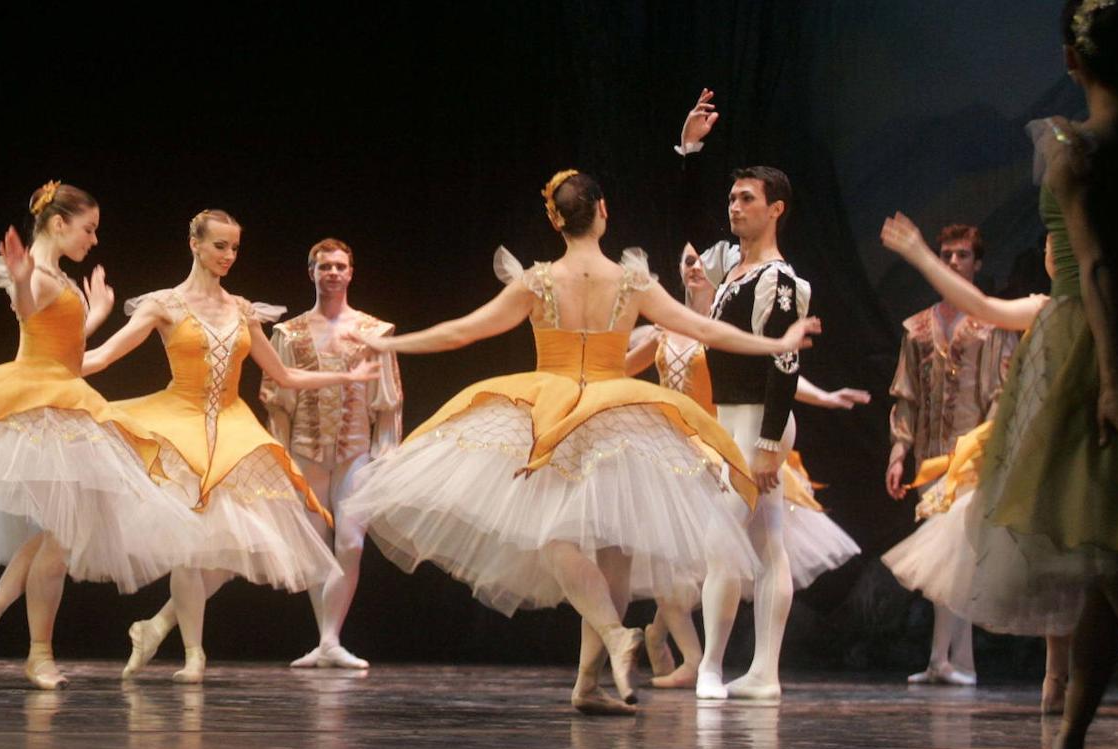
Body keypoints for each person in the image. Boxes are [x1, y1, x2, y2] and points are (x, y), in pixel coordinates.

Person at [340, 170, 820, 714]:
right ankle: (591, 679)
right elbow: (703, 329)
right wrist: (776, 342)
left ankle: (611, 644)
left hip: (556, 408)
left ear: (554, 220)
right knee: (614, 548)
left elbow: (463, 331)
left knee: (555, 532)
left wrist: (390, 344)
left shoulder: (538, 282)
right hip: (619, 416)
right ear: (604, 211)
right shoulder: (632, 281)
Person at [939, 1, 1118, 749]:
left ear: (1070, 62)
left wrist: (1115, 379)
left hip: (1100, 348)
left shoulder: (1073, 149)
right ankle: (1071, 737)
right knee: (1109, 552)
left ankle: (1070, 736)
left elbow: (1092, 265)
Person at [0, 182, 201, 689]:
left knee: (51, 534)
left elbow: (62, 344)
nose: (94, 239)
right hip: (41, 408)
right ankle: (38, 653)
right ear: (59, 224)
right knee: (59, 541)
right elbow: (27, 309)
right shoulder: (38, 276)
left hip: (60, 400)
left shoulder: (57, 277)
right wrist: (19, 283)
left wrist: (97, 314)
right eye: (89, 229)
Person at [80, 209, 378, 684]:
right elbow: (102, 356)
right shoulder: (165, 305)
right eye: (220, 246)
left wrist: (347, 375)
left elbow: (283, 375)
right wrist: (47, 360)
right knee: (190, 549)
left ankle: (155, 626)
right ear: (195, 244)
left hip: (235, 431)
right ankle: (195, 654)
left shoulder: (242, 309)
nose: (228, 256)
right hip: (179, 425)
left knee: (232, 552)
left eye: (235, 248)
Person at [624, 247, 865, 690]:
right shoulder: (662, 330)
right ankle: (690, 654)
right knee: (673, 557)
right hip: (675, 448)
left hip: (723, 441)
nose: (693, 266)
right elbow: (617, 371)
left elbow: (772, 365)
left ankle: (696, 656)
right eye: (686, 260)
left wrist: (826, 397)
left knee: (721, 551)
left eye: (700, 259)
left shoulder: (725, 329)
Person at [671, 89, 829, 700]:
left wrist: (767, 445)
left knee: (722, 544)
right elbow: (685, 227)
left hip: (757, 423)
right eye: (731, 198)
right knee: (768, 545)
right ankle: (764, 672)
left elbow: (784, 363)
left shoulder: (779, 280)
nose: (734, 207)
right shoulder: (728, 266)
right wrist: (689, 148)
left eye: (745, 199)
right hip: (728, 420)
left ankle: (711, 666)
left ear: (775, 209)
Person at [881, 219, 1019, 687]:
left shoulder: (994, 322)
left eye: (963, 255)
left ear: (978, 263)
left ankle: (945, 657)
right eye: (947, 255)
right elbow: (906, 395)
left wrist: (990, 450)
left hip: (974, 457)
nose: (954, 262)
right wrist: (899, 451)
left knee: (958, 555)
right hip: (932, 459)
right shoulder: (919, 327)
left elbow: (1004, 392)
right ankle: (961, 661)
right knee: (947, 557)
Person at [259, 238, 403, 670]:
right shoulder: (289, 333)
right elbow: (276, 397)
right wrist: (280, 454)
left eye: (340, 266)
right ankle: (327, 640)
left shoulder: (374, 332)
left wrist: (386, 453)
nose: (334, 273)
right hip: (305, 448)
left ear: (351, 272)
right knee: (314, 546)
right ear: (312, 273)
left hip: (355, 448)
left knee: (352, 544)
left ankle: (329, 640)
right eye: (325, 267)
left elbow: (388, 399)